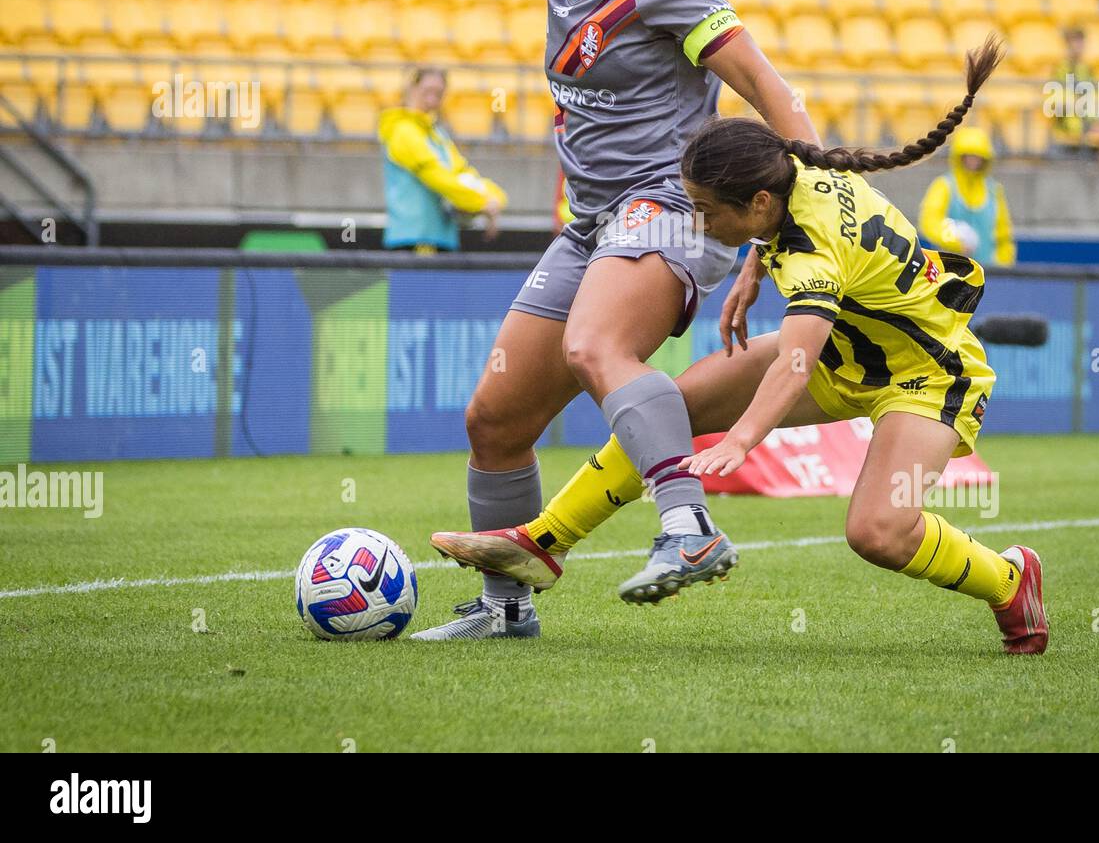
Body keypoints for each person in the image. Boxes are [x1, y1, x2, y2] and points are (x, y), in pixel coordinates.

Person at [371, 0, 818, 639]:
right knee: (494, 416)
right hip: (590, 226)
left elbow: (772, 89)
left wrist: (795, 217)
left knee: (595, 345)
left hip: (671, 209)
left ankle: (687, 525)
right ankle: (505, 611)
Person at [430, 38, 1050, 655]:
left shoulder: (811, 252)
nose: (695, 222)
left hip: (928, 376)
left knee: (877, 534)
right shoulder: (791, 166)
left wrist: (742, 440)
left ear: (756, 204)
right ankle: (545, 542)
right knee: (669, 409)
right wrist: (754, 262)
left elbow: (796, 360)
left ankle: (1011, 580)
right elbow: (790, 252)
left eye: (704, 210)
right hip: (846, 349)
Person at [378, 67, 506, 252]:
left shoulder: (437, 134)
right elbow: (438, 178)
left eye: (439, 92)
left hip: (441, 238)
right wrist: (482, 203)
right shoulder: (403, 131)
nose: (433, 97)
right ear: (412, 88)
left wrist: (495, 197)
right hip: (413, 239)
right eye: (427, 90)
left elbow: (462, 172)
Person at [918, 126, 1016, 268]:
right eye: (968, 155)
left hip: (988, 272)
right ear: (959, 157)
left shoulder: (994, 190)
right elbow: (929, 222)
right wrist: (955, 242)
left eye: (977, 156)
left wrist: (1004, 265)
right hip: (949, 271)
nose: (973, 161)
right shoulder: (944, 186)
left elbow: (1003, 234)